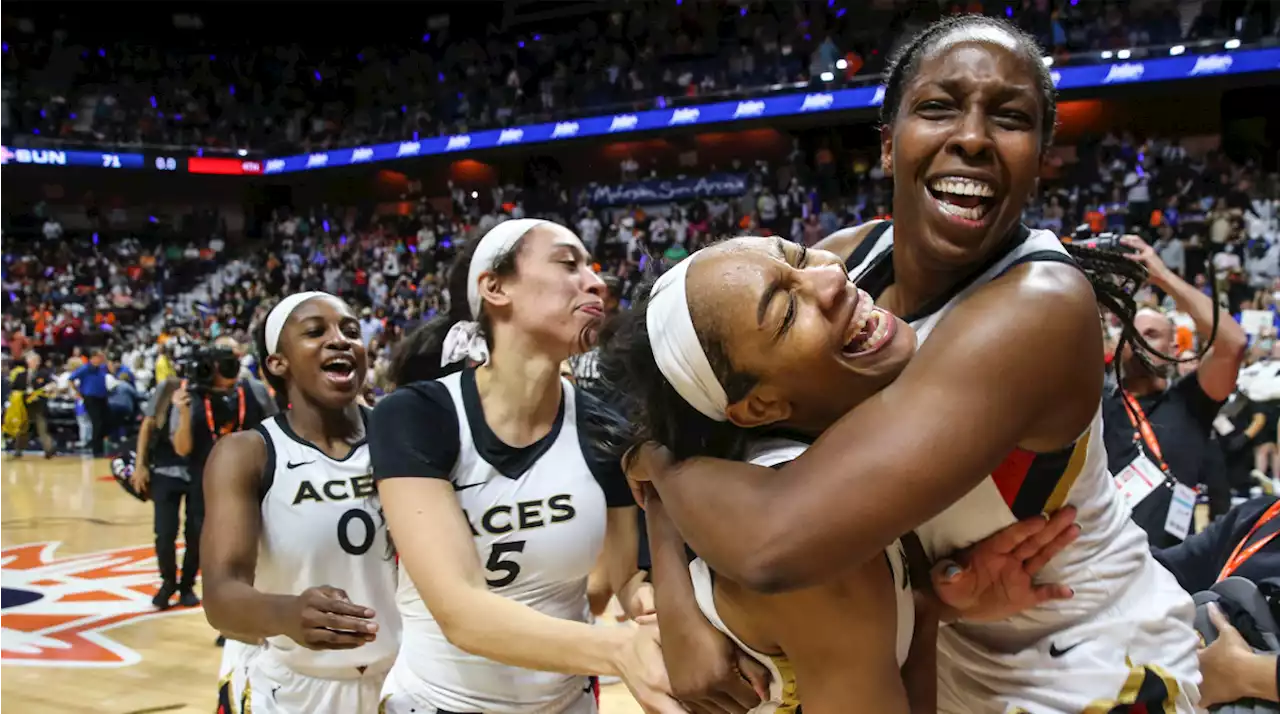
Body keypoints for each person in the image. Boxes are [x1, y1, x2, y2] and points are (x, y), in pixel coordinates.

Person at [626, 16, 1202, 714]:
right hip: (945, 654)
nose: (972, 136)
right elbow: (679, 421)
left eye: (1011, 117)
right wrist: (669, 566)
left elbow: (777, 538)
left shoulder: (1036, 307)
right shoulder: (842, 263)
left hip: (1088, 664)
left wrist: (658, 470)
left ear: (1042, 157)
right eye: (939, 106)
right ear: (890, 145)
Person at [603, 237, 1090, 712]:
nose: (833, 276)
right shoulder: (807, 549)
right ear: (761, 406)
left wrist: (926, 610)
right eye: (788, 312)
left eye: (798, 256)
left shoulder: (776, 483)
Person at [369, 219, 678, 714]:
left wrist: (650, 604)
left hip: (566, 702)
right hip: (435, 703)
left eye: (593, 269)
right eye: (567, 264)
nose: (597, 282)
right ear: (495, 287)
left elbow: (617, 583)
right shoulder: (415, 416)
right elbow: (461, 613)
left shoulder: (604, 428)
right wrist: (620, 649)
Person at [201, 292, 399, 713]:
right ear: (278, 362)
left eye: (350, 331)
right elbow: (220, 598)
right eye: (315, 332)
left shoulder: (402, 436)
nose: (340, 340)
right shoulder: (246, 453)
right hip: (291, 688)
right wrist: (287, 613)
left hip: (402, 682)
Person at [1101, 237, 1246, 545]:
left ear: (1174, 347)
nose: (1139, 342)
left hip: (1172, 568)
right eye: (1131, 334)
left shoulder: (1190, 401)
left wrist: (1162, 277)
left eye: (1151, 335)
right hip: (1105, 562)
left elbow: (1232, 344)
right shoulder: (1097, 403)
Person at [167, 338, 272, 606]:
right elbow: (181, 448)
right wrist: (183, 412)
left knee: (247, 544)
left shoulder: (254, 391)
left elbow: (274, 432)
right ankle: (188, 586)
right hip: (204, 482)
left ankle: (243, 604)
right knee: (199, 540)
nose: (215, 373)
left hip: (250, 480)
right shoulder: (190, 397)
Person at [12, 351, 55, 458]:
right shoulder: (21, 375)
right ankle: (18, 450)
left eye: (37, 361)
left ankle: (49, 450)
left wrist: (48, 388)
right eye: (33, 360)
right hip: (23, 406)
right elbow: (14, 389)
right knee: (23, 429)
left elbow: (52, 384)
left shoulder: (44, 373)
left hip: (39, 405)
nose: (35, 363)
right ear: (27, 361)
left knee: (42, 428)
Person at [70, 348, 110, 456]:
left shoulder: (102, 368)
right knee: (97, 423)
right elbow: (71, 379)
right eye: (99, 357)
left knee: (104, 423)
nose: (101, 359)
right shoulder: (85, 368)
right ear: (93, 358)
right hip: (90, 398)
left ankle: (101, 447)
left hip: (102, 397)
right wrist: (77, 393)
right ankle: (96, 450)